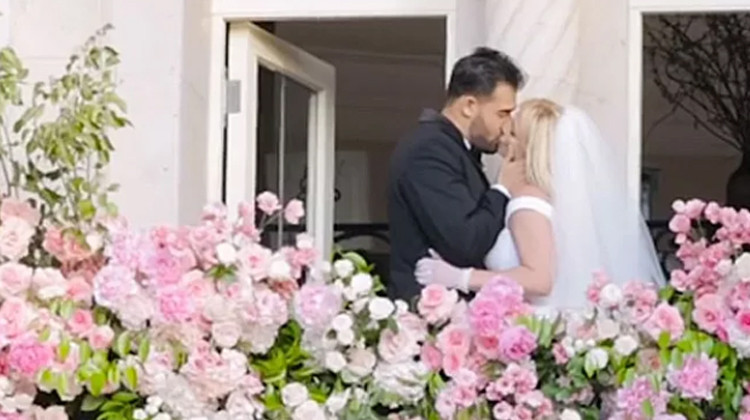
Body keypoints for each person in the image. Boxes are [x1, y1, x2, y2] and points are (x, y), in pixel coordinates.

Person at [415, 99, 666, 313]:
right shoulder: (552, 198)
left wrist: (461, 277)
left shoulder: (527, 202)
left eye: (512, 132)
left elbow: (538, 279)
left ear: (527, 145)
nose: (503, 136)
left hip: (536, 324)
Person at [387, 47, 528, 301]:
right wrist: (502, 188)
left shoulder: (456, 149)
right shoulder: (429, 149)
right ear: (469, 106)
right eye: (502, 114)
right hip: (430, 311)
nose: (507, 126)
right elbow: (466, 243)